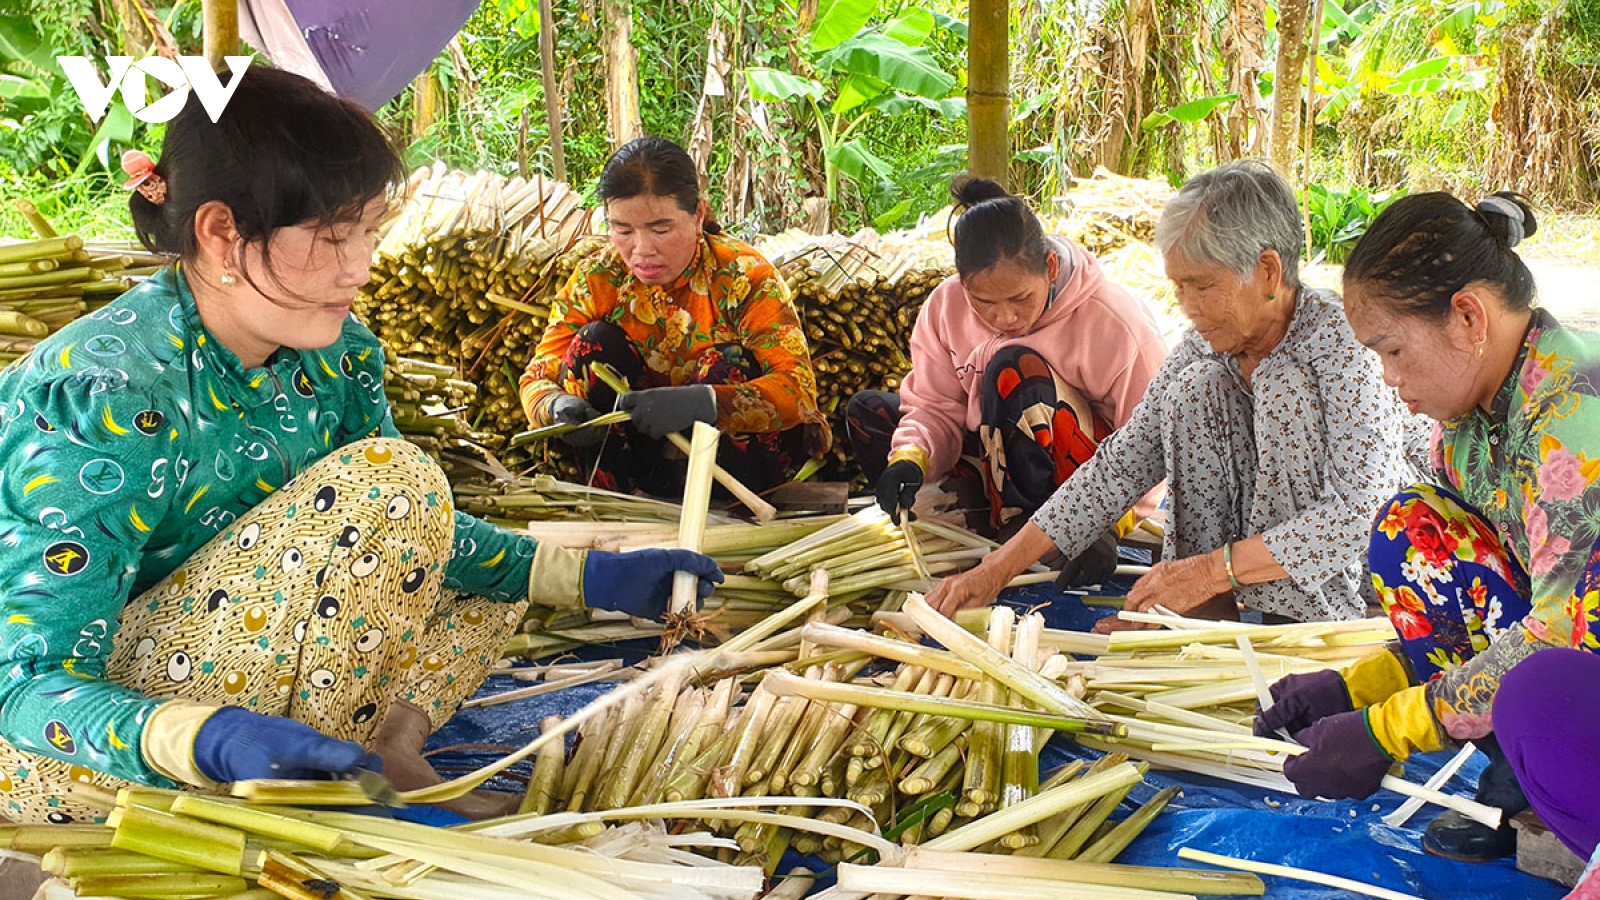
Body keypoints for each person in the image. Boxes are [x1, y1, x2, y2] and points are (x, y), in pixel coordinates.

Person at [0, 66, 722, 825]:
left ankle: (386, 753)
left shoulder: (338, 354)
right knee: (394, 481)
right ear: (220, 233)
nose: (362, 267)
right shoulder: (104, 397)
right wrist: (202, 737)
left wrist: (588, 576)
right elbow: (23, 684)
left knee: (471, 557)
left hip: (260, 689)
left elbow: (426, 531)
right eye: (332, 236)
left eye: (370, 231)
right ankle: (308, 783)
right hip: (83, 752)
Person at [926, 161, 1421, 628]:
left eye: (1201, 286)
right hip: (1244, 560)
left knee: (1283, 387)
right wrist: (994, 571)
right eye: (1178, 287)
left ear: (1268, 272)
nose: (1187, 307)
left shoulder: (1343, 344)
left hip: (1376, 572)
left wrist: (1210, 569)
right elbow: (1120, 466)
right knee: (1194, 388)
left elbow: (1362, 511)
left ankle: (1296, 622)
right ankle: (1202, 610)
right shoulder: (1205, 346)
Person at [1265, 191, 1599, 865]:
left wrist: (1388, 730)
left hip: (1580, 656)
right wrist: (1358, 686)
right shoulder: (1469, 430)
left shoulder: (1573, 418)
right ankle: (1525, 783)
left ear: (1469, 316)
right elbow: (1485, 607)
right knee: (1413, 534)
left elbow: (1562, 634)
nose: (1388, 379)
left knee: (1539, 694)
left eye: (1392, 350)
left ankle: (1555, 786)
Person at [846, 176, 1166, 584]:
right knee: (870, 414)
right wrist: (911, 457)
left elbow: (1154, 443)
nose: (1004, 318)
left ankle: (1031, 539)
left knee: (1013, 370)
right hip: (994, 458)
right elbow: (934, 407)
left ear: (1049, 268)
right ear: (963, 284)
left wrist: (1110, 522)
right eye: (984, 303)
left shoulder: (1114, 322)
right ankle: (962, 522)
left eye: (1020, 299)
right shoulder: (945, 306)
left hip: (1079, 485)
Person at [520, 137, 829, 497]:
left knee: (727, 363)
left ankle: (719, 506)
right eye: (622, 230)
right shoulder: (598, 280)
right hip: (638, 467)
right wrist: (556, 406)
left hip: (736, 473)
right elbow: (536, 377)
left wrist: (707, 403)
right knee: (592, 343)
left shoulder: (744, 275)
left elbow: (798, 391)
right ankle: (618, 495)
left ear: (697, 216)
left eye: (661, 229)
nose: (642, 249)